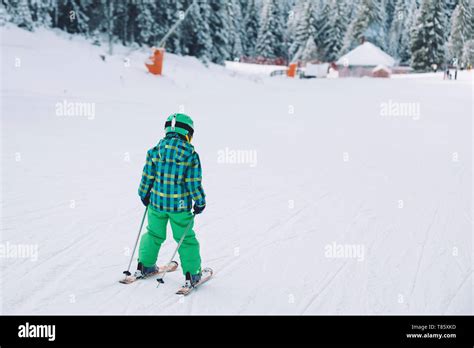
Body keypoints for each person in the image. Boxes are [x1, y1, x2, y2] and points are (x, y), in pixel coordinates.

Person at [135, 113, 206, 287]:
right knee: (185, 238)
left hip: (156, 204)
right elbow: (193, 183)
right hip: (179, 208)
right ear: (188, 133)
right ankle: (192, 274)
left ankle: (144, 265)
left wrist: (144, 193)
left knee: (153, 233)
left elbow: (147, 175)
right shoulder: (190, 155)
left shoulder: (155, 151)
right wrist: (200, 201)